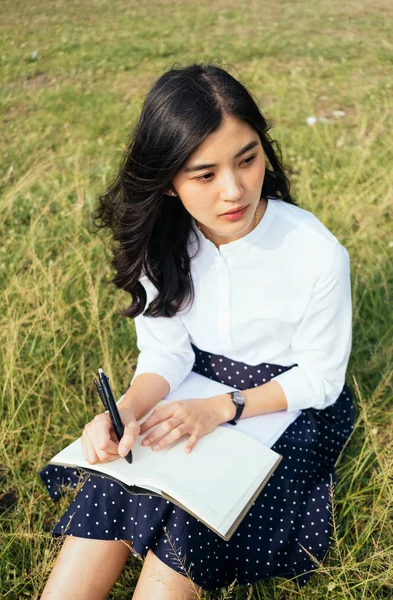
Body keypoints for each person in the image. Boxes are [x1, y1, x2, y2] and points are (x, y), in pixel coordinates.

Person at [39, 62, 355, 599]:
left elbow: (322, 380)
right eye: (204, 175)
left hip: (281, 403)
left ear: (263, 150)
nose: (234, 190)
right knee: (120, 483)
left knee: (191, 513)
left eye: (247, 159)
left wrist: (219, 409)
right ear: (166, 182)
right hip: (192, 384)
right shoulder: (161, 245)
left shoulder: (316, 253)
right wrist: (129, 409)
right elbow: (165, 353)